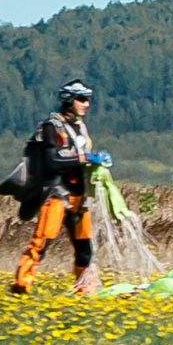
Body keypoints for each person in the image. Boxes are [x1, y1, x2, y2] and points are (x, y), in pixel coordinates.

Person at [10, 79, 109, 295]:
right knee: (42, 242)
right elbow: (52, 161)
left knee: (85, 248)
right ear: (69, 100)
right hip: (55, 195)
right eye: (82, 99)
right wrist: (84, 158)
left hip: (78, 197)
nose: (87, 104)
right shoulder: (50, 127)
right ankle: (21, 286)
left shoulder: (81, 127)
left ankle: (85, 290)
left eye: (88, 100)